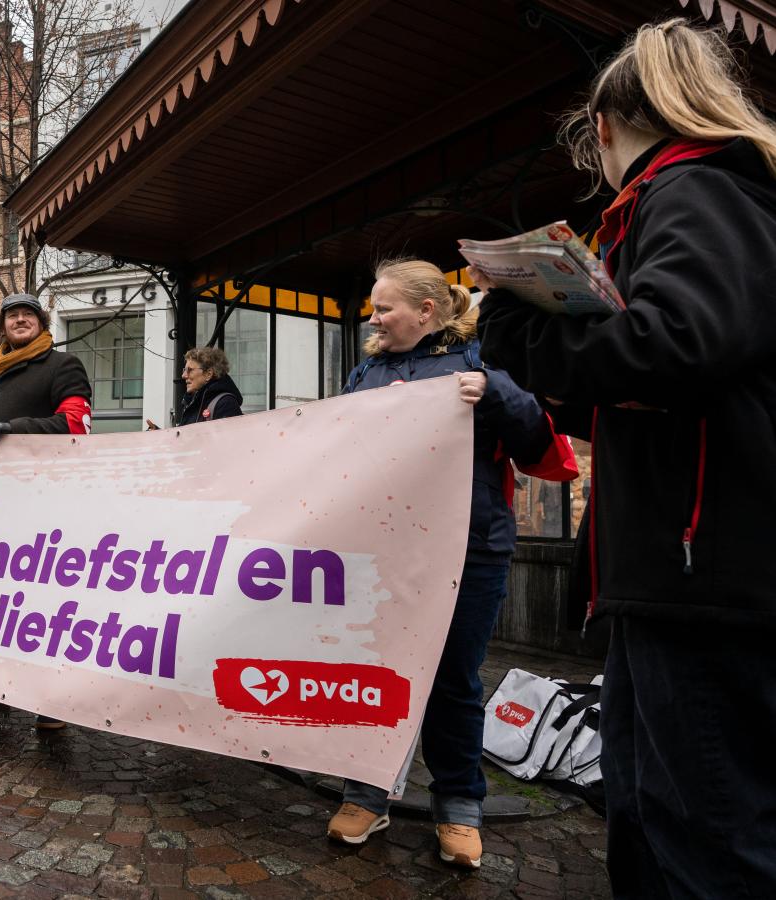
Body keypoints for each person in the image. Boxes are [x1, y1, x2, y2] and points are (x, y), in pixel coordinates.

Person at [474, 20, 776, 896]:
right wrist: (543, 361)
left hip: (704, 584)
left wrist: (514, 326)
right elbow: (655, 388)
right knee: (648, 813)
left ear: (602, 129)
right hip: (685, 580)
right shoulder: (709, 196)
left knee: (708, 837)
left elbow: (673, 345)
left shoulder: (692, 190)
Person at [327, 258, 575, 870]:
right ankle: (368, 790)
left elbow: (537, 442)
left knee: (455, 679)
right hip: (384, 550)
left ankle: (459, 805)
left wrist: (497, 395)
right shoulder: (365, 372)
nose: (375, 318)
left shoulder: (479, 361)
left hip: (471, 546)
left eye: (385, 308)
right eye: (374, 308)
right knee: (377, 673)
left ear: (426, 311)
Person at [0, 292, 92, 729]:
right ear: (2, 327)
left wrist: (17, 430)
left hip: (44, 506)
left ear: (42, 322)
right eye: (12, 316)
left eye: (28, 314)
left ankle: (50, 701)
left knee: (42, 605)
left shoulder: (62, 365)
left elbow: (76, 423)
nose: (20, 320)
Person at [176, 347, 243, 425]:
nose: (183, 375)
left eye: (190, 370)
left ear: (208, 374)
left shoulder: (226, 403)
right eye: (184, 370)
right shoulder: (192, 402)